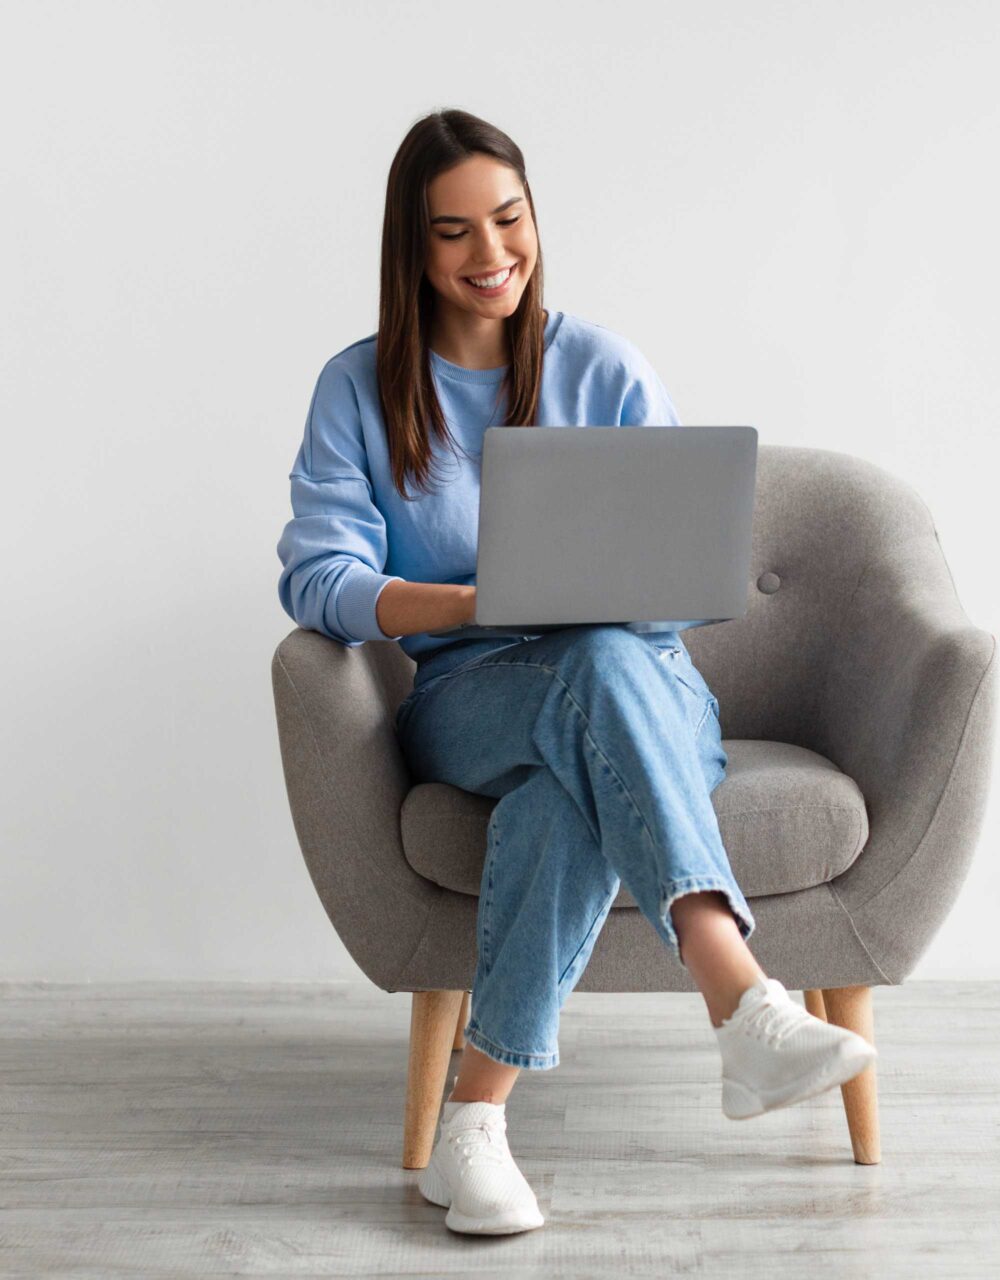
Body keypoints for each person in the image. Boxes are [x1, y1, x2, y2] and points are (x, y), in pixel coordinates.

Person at [276, 108, 876, 1236]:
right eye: (452, 232)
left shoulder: (602, 364)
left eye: (508, 219)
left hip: (643, 679)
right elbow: (318, 576)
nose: (488, 252)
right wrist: (472, 601)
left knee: (578, 748)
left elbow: (690, 578)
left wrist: (618, 589)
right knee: (580, 671)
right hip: (468, 693)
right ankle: (738, 995)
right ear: (412, 250)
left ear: (536, 218)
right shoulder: (358, 389)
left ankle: (474, 1128)